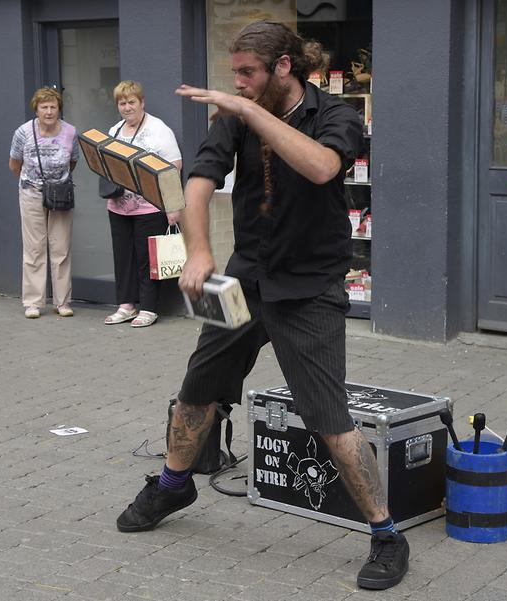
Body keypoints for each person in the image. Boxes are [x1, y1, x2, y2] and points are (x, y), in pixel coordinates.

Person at [115, 22, 409, 591]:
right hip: (242, 283)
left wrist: (248, 112)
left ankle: (386, 533)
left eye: (248, 73)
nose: (238, 84)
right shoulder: (234, 116)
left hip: (311, 290)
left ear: (283, 67)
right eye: (236, 75)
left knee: (329, 418)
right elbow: (196, 183)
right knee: (194, 391)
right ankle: (174, 484)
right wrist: (199, 253)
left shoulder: (335, 114)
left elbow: (324, 166)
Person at [103, 81, 182, 328]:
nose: (127, 107)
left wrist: (173, 206)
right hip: (119, 207)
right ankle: (126, 305)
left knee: (148, 259)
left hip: (149, 207)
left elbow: (174, 168)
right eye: (122, 103)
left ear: (142, 102)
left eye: (131, 102)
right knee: (123, 257)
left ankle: (148, 308)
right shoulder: (115, 130)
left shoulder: (159, 129)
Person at [9, 87, 79, 319]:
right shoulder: (23, 132)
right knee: (34, 248)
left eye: (53, 107)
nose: (49, 112)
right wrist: (35, 184)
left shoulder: (70, 132)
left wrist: (55, 183)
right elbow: (14, 164)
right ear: (36, 109)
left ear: (59, 108)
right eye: (44, 107)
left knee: (61, 248)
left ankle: (63, 302)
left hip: (60, 195)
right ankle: (33, 302)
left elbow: (72, 162)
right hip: (31, 193)